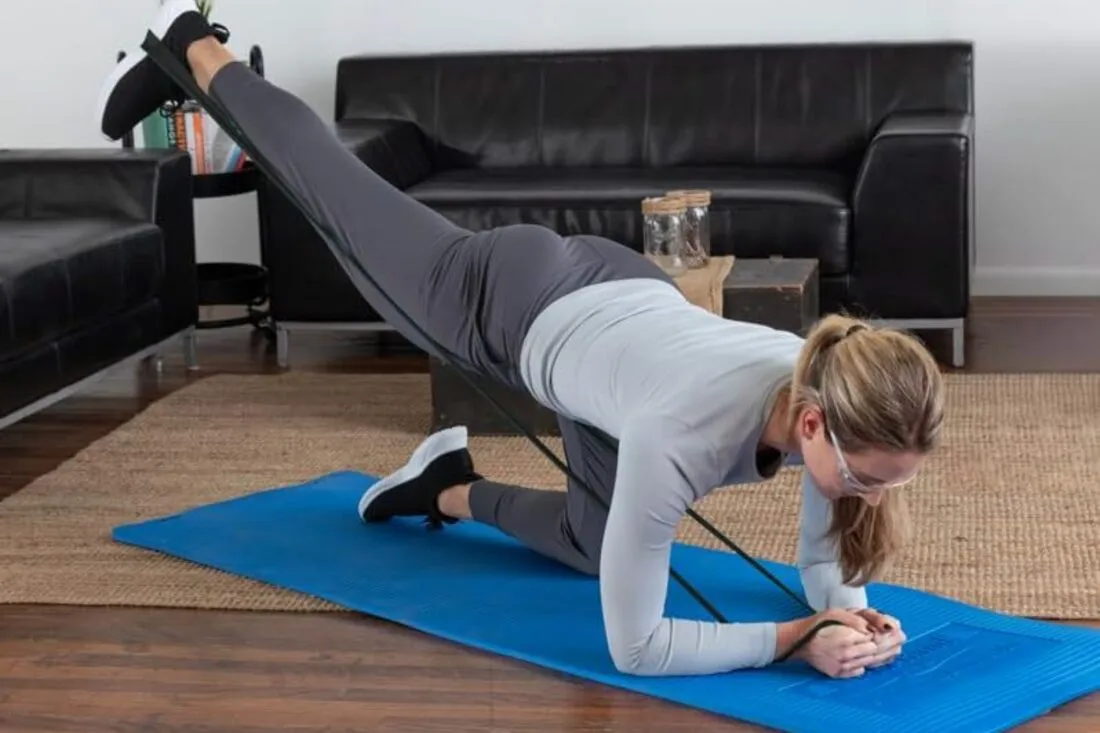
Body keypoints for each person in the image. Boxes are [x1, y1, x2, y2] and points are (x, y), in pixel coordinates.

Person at [99, 0, 943, 681]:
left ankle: (443, 487)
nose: (870, 494)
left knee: (588, 546)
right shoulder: (679, 439)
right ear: (810, 427)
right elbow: (638, 650)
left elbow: (829, 551)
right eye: (870, 478)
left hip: (618, 310)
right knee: (329, 190)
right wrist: (795, 635)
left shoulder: (828, 379)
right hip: (502, 302)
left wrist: (853, 613)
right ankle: (197, 46)